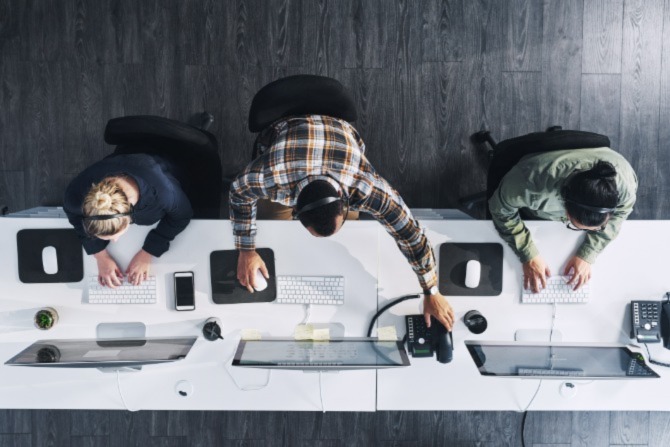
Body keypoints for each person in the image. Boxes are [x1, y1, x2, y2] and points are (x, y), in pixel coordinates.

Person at [229, 114, 454, 330]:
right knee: (273, 233)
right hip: (286, 133)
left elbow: (411, 235)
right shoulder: (271, 176)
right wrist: (246, 250)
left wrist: (431, 291)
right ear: (295, 208)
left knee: (354, 237)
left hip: (341, 145)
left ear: (345, 204)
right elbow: (238, 192)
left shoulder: (365, 186)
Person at [488, 148, 637, 292]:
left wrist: (588, 253)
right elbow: (501, 211)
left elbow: (621, 213)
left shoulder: (626, 184)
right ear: (565, 212)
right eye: (576, 226)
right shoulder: (528, 185)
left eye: (599, 227)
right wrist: (529, 255)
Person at [64, 153, 193, 288]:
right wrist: (100, 255)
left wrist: (148, 251)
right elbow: (73, 215)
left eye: (116, 235)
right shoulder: (75, 196)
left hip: (174, 163)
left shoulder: (163, 194)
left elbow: (182, 215)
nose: (114, 241)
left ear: (129, 216)